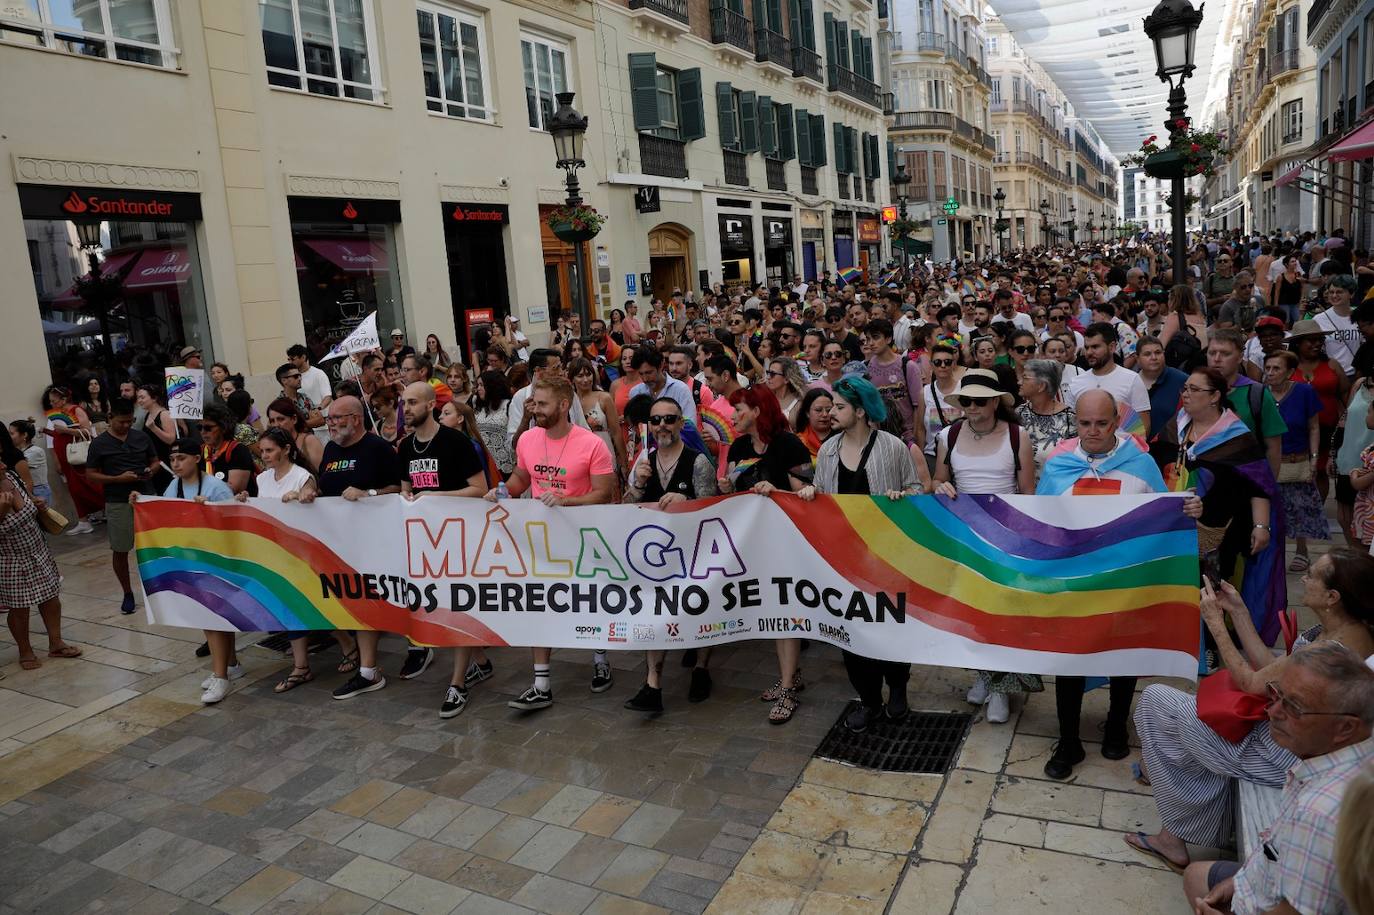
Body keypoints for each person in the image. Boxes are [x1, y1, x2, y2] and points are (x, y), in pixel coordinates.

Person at [1034, 391, 1179, 780]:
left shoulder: (1142, 465)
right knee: (1068, 660)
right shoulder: (1058, 465)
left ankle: (1116, 724)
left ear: (1116, 421)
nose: (1093, 431)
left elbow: (1163, 516)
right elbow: (1041, 523)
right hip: (1073, 586)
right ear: (1075, 422)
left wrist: (1187, 511)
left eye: (1102, 423)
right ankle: (1068, 740)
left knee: (1124, 657)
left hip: (1125, 584)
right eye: (1085, 423)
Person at [1177, 644, 1373, 914]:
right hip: (1271, 878)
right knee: (1196, 876)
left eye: (1293, 707)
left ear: (1346, 727)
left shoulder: (1318, 813)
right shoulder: (1354, 752)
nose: (1273, 711)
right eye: (1276, 694)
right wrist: (1241, 880)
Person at [485, 377, 615, 711]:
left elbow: (604, 492)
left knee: (590, 600)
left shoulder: (591, 444)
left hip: (583, 537)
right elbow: (521, 479)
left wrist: (569, 502)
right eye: (533, 403)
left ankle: (600, 658)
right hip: (540, 539)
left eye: (541, 404)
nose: (535, 410)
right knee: (540, 604)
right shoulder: (528, 439)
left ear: (562, 404)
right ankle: (541, 683)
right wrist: (501, 492)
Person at [799, 377, 921, 732]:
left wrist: (903, 496)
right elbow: (822, 493)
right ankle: (869, 699)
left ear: (860, 410)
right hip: (845, 561)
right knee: (851, 632)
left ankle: (897, 687)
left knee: (892, 628)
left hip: (889, 558)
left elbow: (916, 490)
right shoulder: (828, 450)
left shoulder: (893, 447)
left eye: (838, 407)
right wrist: (810, 493)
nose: (830, 413)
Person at [932, 369, 1037, 723]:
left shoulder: (1016, 436)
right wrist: (938, 487)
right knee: (970, 613)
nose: (972, 407)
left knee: (1002, 614)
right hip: (963, 537)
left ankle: (1001, 690)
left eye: (979, 400)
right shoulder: (949, 435)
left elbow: (1028, 494)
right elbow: (939, 480)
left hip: (1005, 537)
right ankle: (982, 675)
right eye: (966, 400)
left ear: (995, 402)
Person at [721, 385, 814, 725]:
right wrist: (727, 487)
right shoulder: (740, 446)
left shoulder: (788, 444)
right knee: (774, 612)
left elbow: (806, 493)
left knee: (784, 611)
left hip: (786, 541)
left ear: (758, 411)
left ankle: (788, 686)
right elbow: (733, 487)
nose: (733, 416)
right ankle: (791, 676)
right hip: (752, 542)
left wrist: (776, 491)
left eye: (739, 409)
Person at [396, 382, 490, 717]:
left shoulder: (455, 442)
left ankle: (457, 683)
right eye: (402, 403)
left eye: (411, 402)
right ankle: (480, 661)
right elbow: (408, 492)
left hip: (458, 536)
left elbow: (480, 489)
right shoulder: (406, 446)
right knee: (441, 607)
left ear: (430, 404)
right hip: (425, 541)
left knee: (457, 608)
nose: (405, 409)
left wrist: (436, 497)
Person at [299, 396, 403, 699]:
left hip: (374, 540)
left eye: (336, 418)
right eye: (328, 419)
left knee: (370, 600)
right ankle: (367, 668)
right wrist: (309, 489)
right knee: (355, 602)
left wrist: (369, 492)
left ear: (356, 419)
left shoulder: (378, 448)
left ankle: (382, 664)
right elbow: (326, 486)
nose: (330, 424)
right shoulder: (331, 449)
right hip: (338, 543)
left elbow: (400, 488)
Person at [622, 397, 720, 713]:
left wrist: (687, 498)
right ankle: (653, 684)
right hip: (656, 558)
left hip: (694, 555)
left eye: (669, 419)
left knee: (701, 612)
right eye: (655, 420)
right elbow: (625, 509)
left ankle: (702, 669)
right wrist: (638, 484)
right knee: (654, 615)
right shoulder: (645, 462)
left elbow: (714, 510)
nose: (662, 425)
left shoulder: (698, 462)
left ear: (680, 423)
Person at [134, 437, 238, 700]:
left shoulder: (216, 487)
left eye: (181, 458)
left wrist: (211, 512)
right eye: (172, 459)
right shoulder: (173, 486)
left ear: (196, 458)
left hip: (217, 563)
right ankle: (232, 664)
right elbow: (164, 514)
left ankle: (221, 677)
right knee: (213, 619)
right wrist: (141, 501)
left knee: (213, 620)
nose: (176, 464)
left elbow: (235, 522)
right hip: (191, 562)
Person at [1, 448, 80, 671]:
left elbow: (29, 504)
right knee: (19, 607)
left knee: (51, 597)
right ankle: (25, 651)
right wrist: (3, 509)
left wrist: (38, 505)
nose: (3, 465)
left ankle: (56, 642)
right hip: (10, 558)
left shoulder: (12, 478)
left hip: (38, 550)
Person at [83, 398, 158, 615]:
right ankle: (127, 592)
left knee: (154, 547)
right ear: (110, 418)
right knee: (121, 548)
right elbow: (91, 474)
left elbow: (155, 460)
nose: (126, 426)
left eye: (130, 421)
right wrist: (117, 479)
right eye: (121, 422)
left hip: (147, 497)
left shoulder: (141, 436)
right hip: (117, 500)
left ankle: (157, 588)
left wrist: (151, 470)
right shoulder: (99, 444)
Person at [1264, 350, 1329, 571]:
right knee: (1271, 510)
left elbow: (1313, 427)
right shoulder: (1260, 394)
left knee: (1299, 509)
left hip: (1297, 460)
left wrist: (1313, 459)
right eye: (1268, 368)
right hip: (1270, 462)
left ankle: (1302, 551)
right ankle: (1273, 552)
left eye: (1276, 368)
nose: (1271, 373)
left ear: (1290, 372)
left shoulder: (1304, 392)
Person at [1064, 323, 1152, 433]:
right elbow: (1070, 426)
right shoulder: (1076, 382)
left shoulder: (1132, 379)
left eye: (1095, 347)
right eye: (1087, 347)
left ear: (1112, 347)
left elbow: (1144, 426)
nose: (1089, 352)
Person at [509, 349, 590, 449]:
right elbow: (514, 445)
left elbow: (584, 429)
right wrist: (525, 419)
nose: (561, 373)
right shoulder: (521, 397)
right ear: (538, 371)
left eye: (561, 367)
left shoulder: (569, 393)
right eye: (556, 368)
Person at [863, 319, 925, 445]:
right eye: (868, 339)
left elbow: (918, 406)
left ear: (888, 339)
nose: (871, 343)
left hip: (906, 435)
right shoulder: (866, 369)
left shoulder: (907, 366)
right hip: (879, 436)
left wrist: (916, 437)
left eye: (875, 337)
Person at [570, 357, 628, 478]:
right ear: (572, 379)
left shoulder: (604, 398)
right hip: (577, 455)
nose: (585, 380)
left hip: (604, 451)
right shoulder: (569, 402)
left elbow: (616, 433)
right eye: (580, 376)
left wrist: (624, 462)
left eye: (588, 374)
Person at [1016, 359, 1075, 473]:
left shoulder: (1069, 419)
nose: (1019, 382)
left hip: (1054, 486)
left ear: (1041, 386)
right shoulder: (1019, 413)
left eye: (1025, 378)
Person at [199, 403, 257, 497]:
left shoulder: (238, 450)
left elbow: (234, 489)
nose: (202, 432)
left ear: (223, 428)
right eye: (199, 427)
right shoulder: (201, 451)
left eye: (208, 428)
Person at [473, 370, 516, 478]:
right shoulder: (477, 406)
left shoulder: (509, 405)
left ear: (492, 386)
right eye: (478, 385)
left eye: (482, 385)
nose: (478, 388)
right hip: (483, 464)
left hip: (505, 467)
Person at [266, 397, 324, 474]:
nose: (276, 425)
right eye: (272, 421)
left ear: (294, 419)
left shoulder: (308, 441)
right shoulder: (273, 446)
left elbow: (324, 473)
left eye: (281, 419)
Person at [9, 419, 49, 505]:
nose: (9, 437)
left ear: (24, 435)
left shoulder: (36, 451)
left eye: (12, 433)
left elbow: (17, 464)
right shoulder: (20, 452)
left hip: (39, 491)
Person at [287, 344, 333, 414]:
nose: (290, 362)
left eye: (293, 359)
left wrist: (318, 409)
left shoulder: (318, 373)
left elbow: (327, 396)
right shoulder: (290, 377)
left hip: (320, 417)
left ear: (303, 357)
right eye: (289, 359)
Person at [795, 388, 835, 458]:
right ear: (807, 412)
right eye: (818, 410)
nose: (825, 414)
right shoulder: (799, 442)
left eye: (829, 410)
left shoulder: (843, 437)